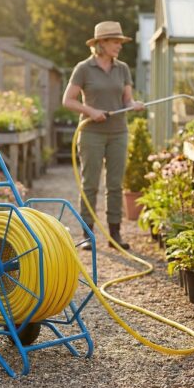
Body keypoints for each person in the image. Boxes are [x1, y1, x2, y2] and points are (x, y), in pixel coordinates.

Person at [62, 21, 145, 250]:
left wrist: (133, 104)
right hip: (91, 133)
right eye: (115, 41)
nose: (119, 45)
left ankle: (114, 235)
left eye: (120, 42)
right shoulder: (84, 68)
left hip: (118, 132)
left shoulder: (123, 69)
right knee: (90, 185)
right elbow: (67, 100)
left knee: (115, 185)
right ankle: (88, 234)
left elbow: (127, 100)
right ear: (101, 43)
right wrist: (90, 111)